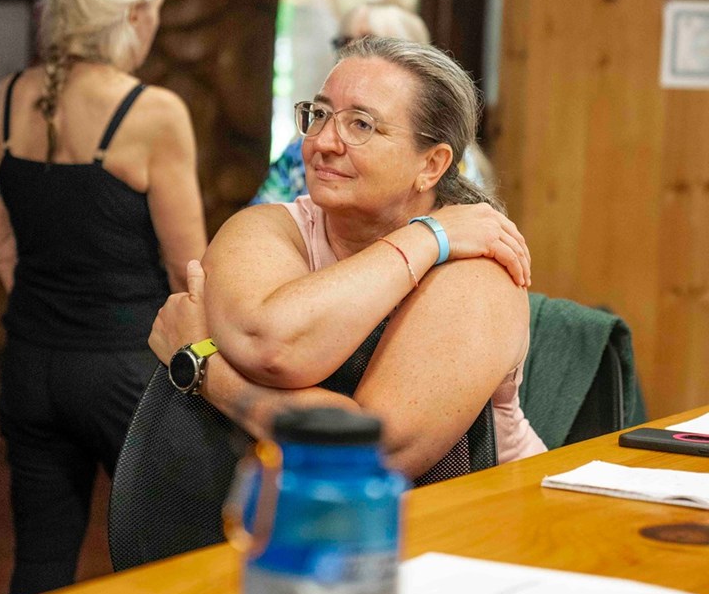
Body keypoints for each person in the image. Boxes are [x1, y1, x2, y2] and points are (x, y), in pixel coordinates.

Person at [148, 36, 543, 554]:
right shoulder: (268, 228)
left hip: (480, 545)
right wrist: (424, 237)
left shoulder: (480, 266)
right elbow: (272, 340)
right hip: (301, 535)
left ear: (432, 165)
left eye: (361, 124)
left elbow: (375, 448)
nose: (323, 142)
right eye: (320, 114)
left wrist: (203, 365)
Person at [0, 0, 207, 594]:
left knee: (41, 567)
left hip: (30, 365)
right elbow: (187, 270)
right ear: (136, 11)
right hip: (126, 373)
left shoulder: (9, 96)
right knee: (172, 562)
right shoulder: (153, 113)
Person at [251, 0, 496, 204]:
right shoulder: (303, 150)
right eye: (343, 42)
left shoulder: (454, 163)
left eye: (371, 42)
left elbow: (465, 230)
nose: (352, 52)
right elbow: (257, 225)